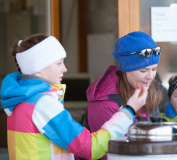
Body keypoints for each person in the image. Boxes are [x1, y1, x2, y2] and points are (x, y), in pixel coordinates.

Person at [0, 34, 148, 160]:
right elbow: (90, 147)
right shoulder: (42, 104)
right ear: (38, 68)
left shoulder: (19, 100)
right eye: (59, 63)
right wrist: (129, 110)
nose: (64, 69)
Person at [82, 31, 162, 160]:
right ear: (126, 69)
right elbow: (112, 154)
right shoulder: (103, 104)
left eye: (154, 69)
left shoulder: (149, 91)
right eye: (143, 70)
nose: (151, 76)